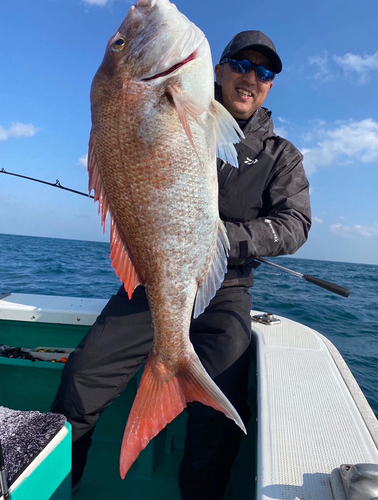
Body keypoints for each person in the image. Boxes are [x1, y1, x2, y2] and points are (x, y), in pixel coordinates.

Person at [52, 30, 311, 500]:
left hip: (227, 288)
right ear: (217, 68)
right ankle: (53, 488)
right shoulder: (178, 112)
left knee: (220, 412)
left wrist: (221, 240)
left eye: (265, 71)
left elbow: (294, 224)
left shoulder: (281, 157)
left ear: (271, 85)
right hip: (154, 280)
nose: (251, 77)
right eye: (240, 64)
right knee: (80, 379)